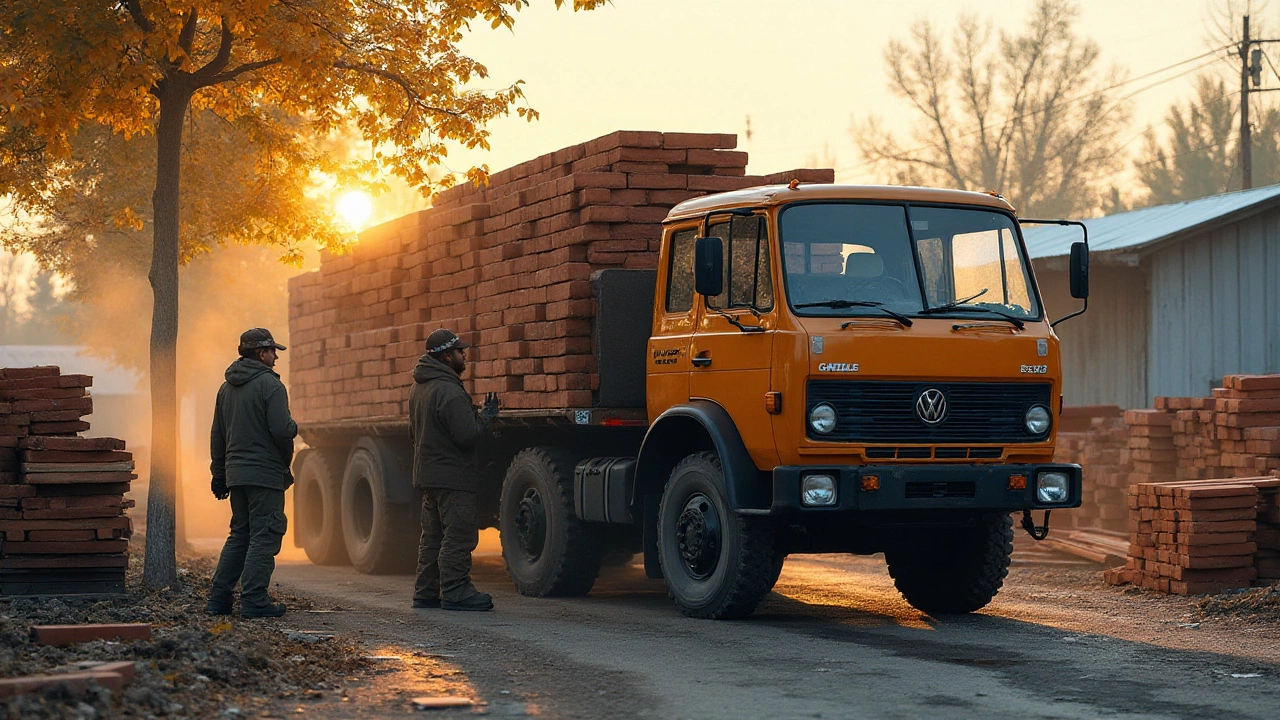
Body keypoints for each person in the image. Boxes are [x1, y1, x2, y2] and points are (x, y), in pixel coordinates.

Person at [206, 327, 298, 619]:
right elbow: (282, 430)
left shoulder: (225, 388)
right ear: (261, 353)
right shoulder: (271, 386)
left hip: (236, 475)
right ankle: (255, 601)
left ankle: (219, 600)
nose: (276, 357)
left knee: (240, 534)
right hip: (264, 474)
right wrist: (295, 429)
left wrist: (219, 474)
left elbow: (217, 435)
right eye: (273, 352)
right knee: (265, 534)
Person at [410, 328, 499, 611]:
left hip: (429, 475)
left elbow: (413, 432)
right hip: (453, 477)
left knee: (432, 537)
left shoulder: (420, 387)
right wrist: (486, 418)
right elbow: (467, 435)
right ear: (447, 356)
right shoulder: (448, 390)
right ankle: (456, 591)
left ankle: (425, 592)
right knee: (459, 535)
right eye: (461, 352)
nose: (465, 356)